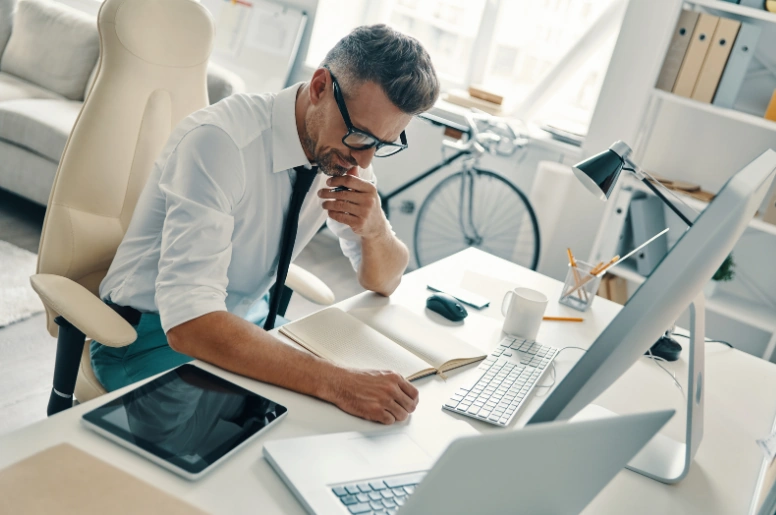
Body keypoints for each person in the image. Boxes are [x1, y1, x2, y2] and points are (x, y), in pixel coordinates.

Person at [91, 24, 440, 425]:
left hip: (247, 322)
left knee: (339, 426)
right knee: (261, 446)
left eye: (383, 143)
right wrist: (338, 383)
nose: (365, 161)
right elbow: (189, 325)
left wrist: (376, 228)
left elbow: (386, 281)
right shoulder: (220, 143)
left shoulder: (343, 152)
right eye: (360, 136)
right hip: (149, 339)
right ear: (320, 87)